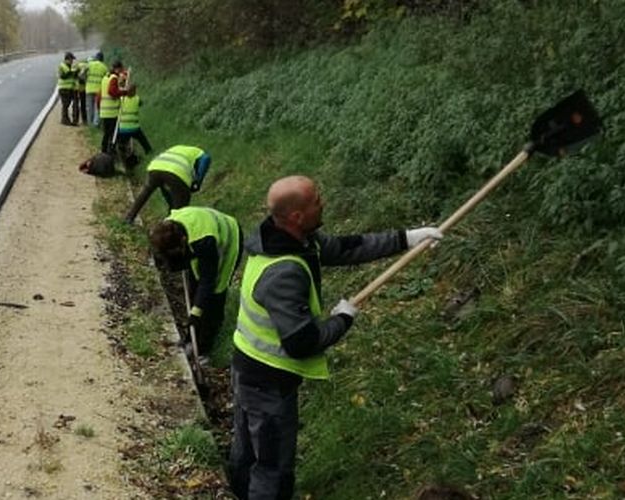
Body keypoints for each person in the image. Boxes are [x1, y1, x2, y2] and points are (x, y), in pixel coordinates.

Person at [226, 175, 444, 500]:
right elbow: (302, 343)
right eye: (316, 200)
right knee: (272, 468)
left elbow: (347, 248)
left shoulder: (290, 238)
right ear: (297, 216)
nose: (323, 202)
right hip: (267, 382)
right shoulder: (283, 272)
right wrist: (342, 319)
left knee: (246, 452)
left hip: (249, 368)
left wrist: (408, 238)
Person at [149, 206, 241, 358]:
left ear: (183, 241)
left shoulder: (204, 242)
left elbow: (208, 280)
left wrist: (196, 312)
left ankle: (204, 348)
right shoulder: (168, 227)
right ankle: (191, 338)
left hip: (228, 239)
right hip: (199, 237)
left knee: (214, 295)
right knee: (195, 288)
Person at [123, 145, 211, 223]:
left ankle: (129, 217)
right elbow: (206, 158)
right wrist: (198, 181)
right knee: (182, 204)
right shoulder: (200, 153)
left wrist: (171, 207)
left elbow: (167, 192)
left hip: (155, 167)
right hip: (176, 172)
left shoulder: (178, 148)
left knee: (146, 192)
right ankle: (174, 227)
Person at [115, 84, 152, 161]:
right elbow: (141, 103)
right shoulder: (137, 99)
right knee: (143, 140)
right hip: (135, 128)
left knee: (121, 143)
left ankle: (122, 156)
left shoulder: (122, 99)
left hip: (123, 128)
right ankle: (149, 151)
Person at [98, 61, 127, 153]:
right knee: (113, 134)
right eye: (121, 69)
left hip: (104, 111)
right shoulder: (114, 78)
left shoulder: (105, 78)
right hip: (112, 112)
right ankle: (112, 152)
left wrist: (99, 107)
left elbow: (99, 95)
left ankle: (104, 151)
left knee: (106, 134)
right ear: (118, 69)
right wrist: (124, 92)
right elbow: (112, 92)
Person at [84, 52, 108, 128]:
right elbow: (107, 79)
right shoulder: (104, 67)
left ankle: (89, 122)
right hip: (99, 90)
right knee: (97, 107)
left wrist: (85, 80)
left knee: (89, 107)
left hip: (89, 89)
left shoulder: (90, 65)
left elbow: (82, 74)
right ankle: (96, 123)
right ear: (102, 59)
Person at [57, 52, 78, 125]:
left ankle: (73, 120)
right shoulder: (62, 66)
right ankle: (65, 120)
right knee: (65, 105)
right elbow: (62, 76)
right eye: (71, 59)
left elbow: (74, 76)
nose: (72, 61)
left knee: (74, 104)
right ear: (67, 59)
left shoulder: (71, 66)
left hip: (71, 88)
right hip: (64, 89)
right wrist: (71, 73)